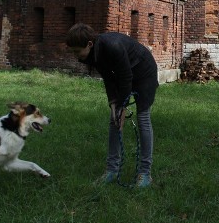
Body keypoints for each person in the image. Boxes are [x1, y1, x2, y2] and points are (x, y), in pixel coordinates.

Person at [65, 23, 158, 187]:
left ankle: (145, 174)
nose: (76, 56)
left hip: (144, 73)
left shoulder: (112, 46)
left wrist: (123, 107)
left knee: (143, 117)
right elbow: (109, 79)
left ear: (89, 44)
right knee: (114, 118)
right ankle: (111, 170)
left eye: (77, 51)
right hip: (125, 75)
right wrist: (114, 104)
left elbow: (126, 77)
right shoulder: (92, 55)